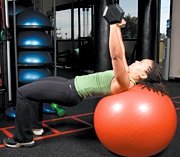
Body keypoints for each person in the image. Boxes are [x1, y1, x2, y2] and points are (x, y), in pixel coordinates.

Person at [3, 19, 168, 148]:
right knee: (35, 88)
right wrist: (118, 27)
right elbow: (122, 53)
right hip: (70, 83)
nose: (137, 61)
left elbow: (116, 56)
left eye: (141, 63)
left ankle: (22, 139)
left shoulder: (125, 81)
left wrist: (111, 26)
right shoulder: (127, 74)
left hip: (70, 92)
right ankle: (35, 127)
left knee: (22, 93)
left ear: (143, 74)